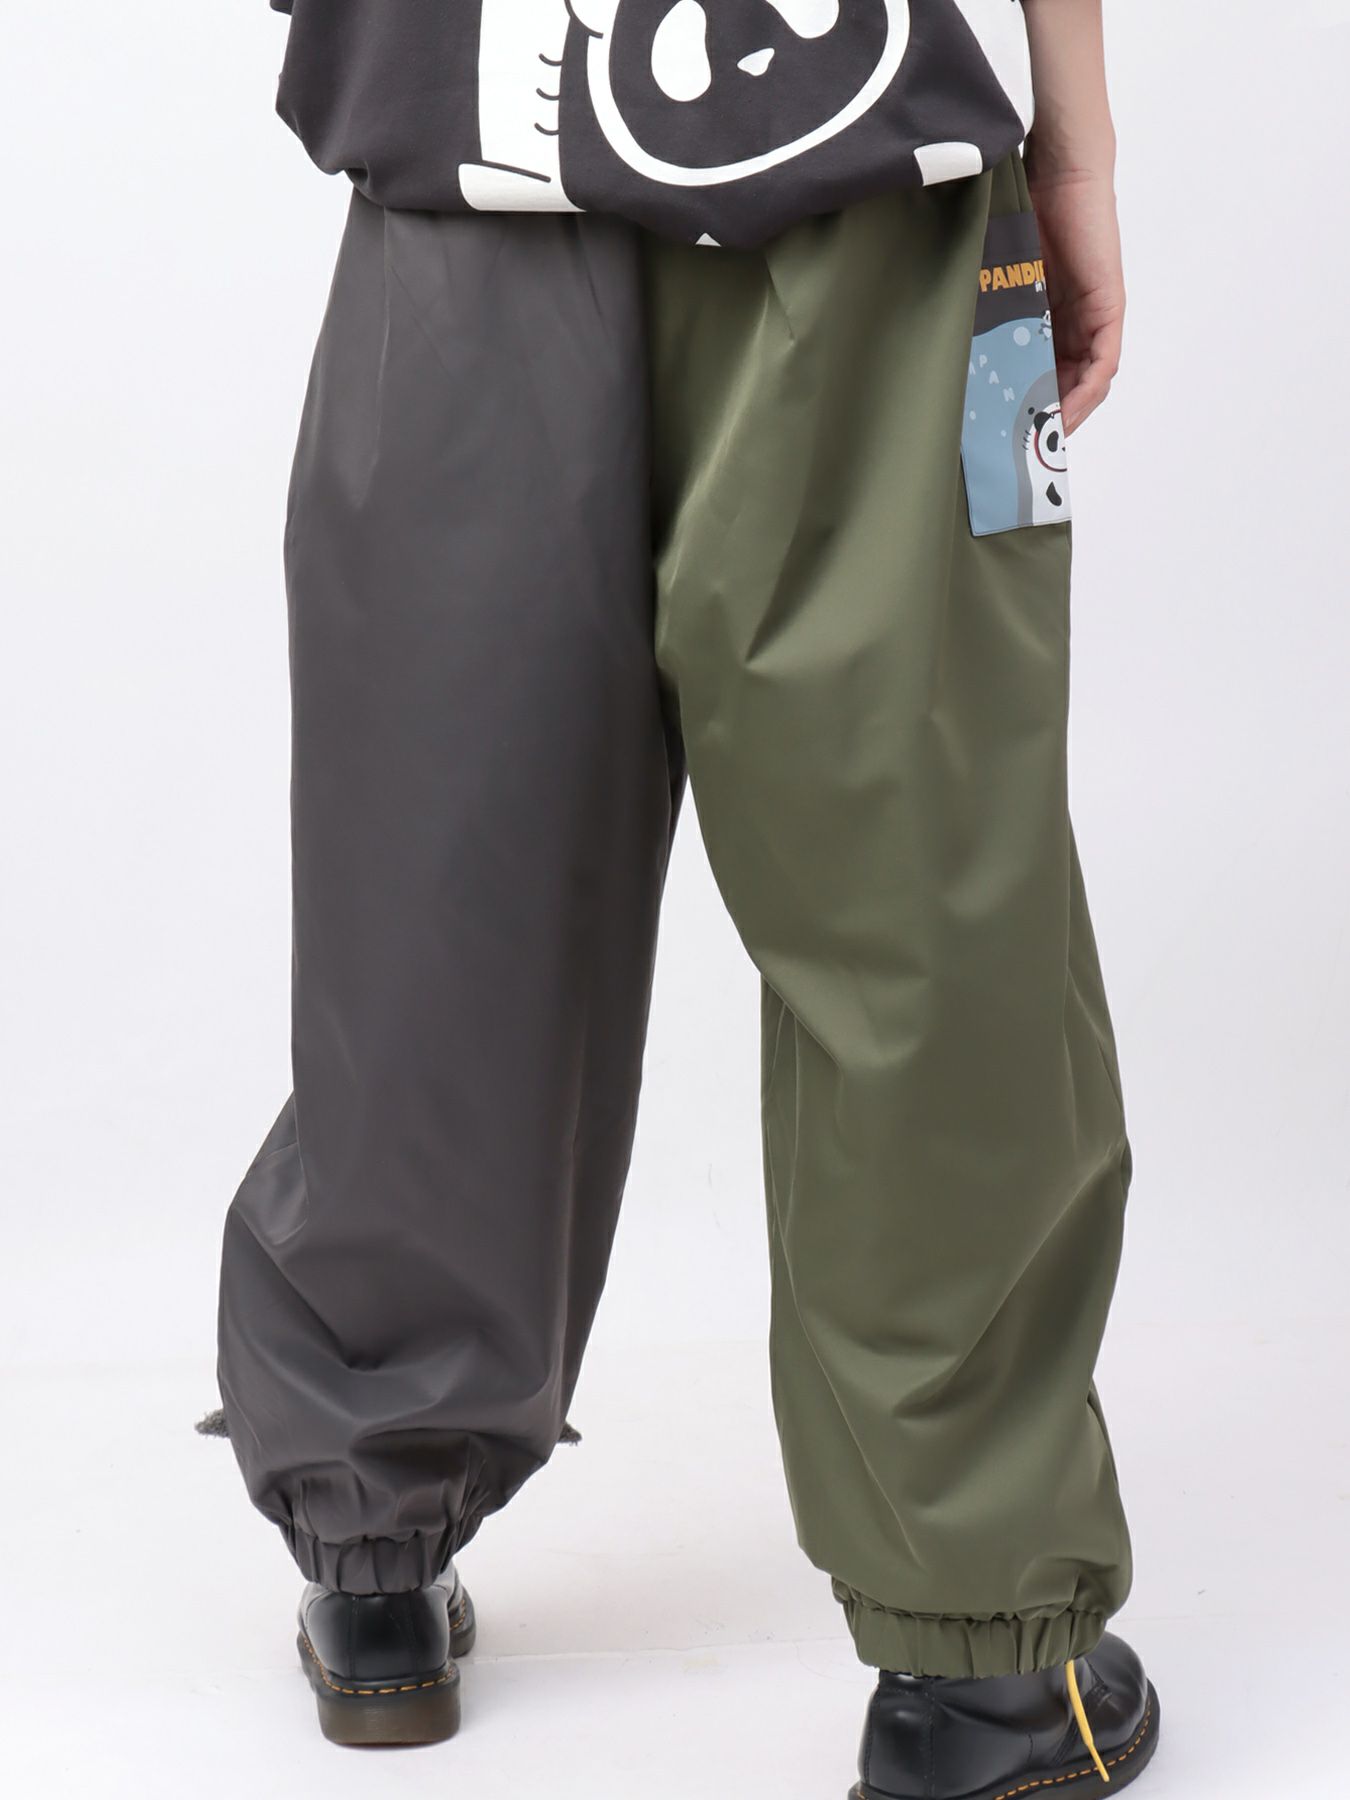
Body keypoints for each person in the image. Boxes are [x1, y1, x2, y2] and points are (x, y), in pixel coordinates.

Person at [213, 2, 1161, 1792]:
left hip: (461, 156)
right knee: (918, 892)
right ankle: (978, 1661)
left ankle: (374, 1551)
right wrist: (1078, 147)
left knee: (435, 882)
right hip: (858, 161)